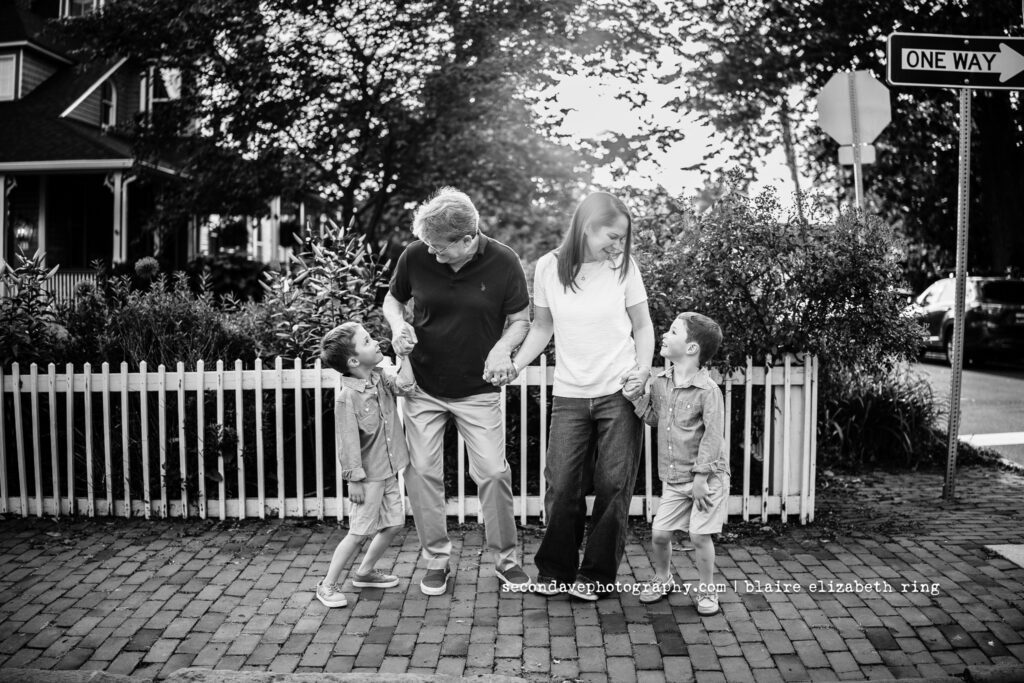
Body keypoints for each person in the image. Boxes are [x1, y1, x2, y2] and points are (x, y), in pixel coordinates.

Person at [383, 187, 532, 595]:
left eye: (439, 247)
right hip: (423, 386)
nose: (430, 254)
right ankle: (436, 560)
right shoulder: (415, 254)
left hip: (477, 389)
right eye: (427, 245)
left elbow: (521, 318)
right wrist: (399, 328)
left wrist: (503, 348)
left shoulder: (504, 261)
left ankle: (506, 561)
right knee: (423, 473)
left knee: (493, 473)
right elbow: (392, 302)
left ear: (467, 240)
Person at [510, 191, 655, 601]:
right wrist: (515, 366)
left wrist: (642, 370)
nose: (619, 245)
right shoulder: (548, 268)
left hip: (619, 393)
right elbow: (542, 327)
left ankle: (596, 577)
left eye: (623, 238)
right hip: (570, 393)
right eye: (612, 235)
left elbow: (643, 327)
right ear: (587, 227)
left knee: (613, 487)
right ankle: (555, 571)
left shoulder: (624, 268)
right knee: (561, 486)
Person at [623, 312, 729, 616]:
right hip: (673, 477)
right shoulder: (659, 384)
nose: (665, 336)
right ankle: (663, 577)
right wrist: (634, 399)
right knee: (659, 534)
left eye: (672, 331)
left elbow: (713, 437)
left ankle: (708, 590)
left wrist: (700, 478)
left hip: (706, 479)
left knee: (699, 536)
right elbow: (656, 420)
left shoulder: (709, 391)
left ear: (692, 348)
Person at [315, 321, 417, 608]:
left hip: (388, 472)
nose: (375, 342)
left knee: (394, 524)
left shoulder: (381, 378)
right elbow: (347, 443)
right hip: (367, 478)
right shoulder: (347, 398)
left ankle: (364, 572)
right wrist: (354, 479)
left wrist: (405, 355)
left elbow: (407, 386)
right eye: (367, 340)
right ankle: (327, 585)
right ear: (353, 360)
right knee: (358, 533)